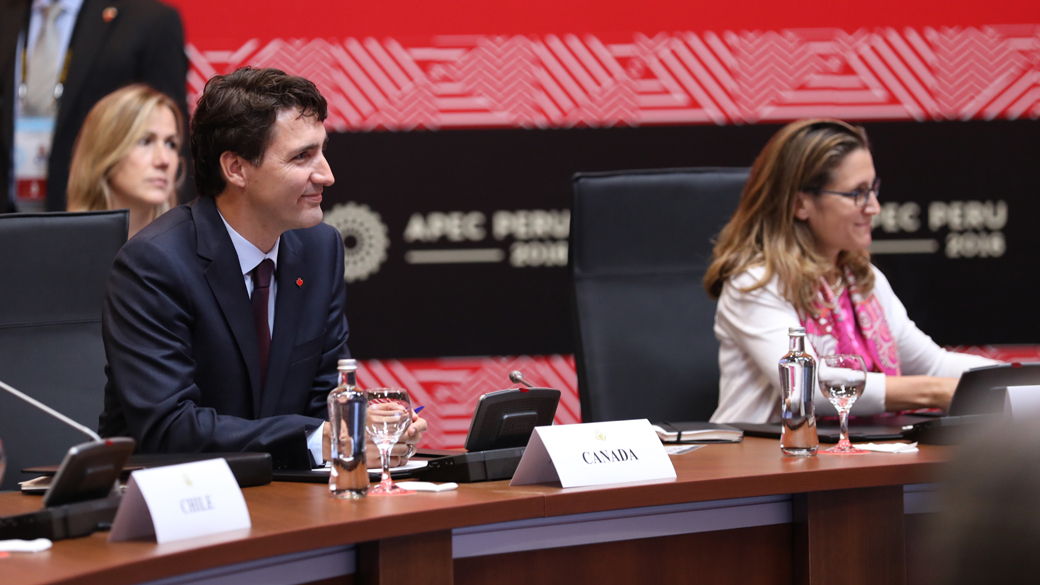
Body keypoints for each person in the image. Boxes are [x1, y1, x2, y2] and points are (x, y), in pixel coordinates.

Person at [98, 67, 426, 469]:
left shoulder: (320, 249)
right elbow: (169, 429)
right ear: (236, 169)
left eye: (323, 151)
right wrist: (321, 440)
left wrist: (370, 431)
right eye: (302, 156)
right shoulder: (155, 263)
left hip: (287, 498)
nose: (327, 174)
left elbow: (325, 397)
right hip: (178, 506)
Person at [703, 119, 998, 424]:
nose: (874, 207)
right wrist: (933, 392)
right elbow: (808, 388)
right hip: (760, 462)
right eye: (856, 193)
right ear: (800, 203)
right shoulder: (754, 283)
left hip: (851, 459)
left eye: (872, 189)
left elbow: (933, 365)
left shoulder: (862, 278)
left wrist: (1012, 379)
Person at [0, 0, 190, 213]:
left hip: (92, 217)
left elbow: (170, 124)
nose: (164, 158)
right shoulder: (7, 14)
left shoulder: (149, 20)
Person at [66, 84, 181, 238]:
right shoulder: (65, 247)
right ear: (105, 151)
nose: (164, 160)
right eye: (145, 141)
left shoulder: (193, 252)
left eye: (170, 144)